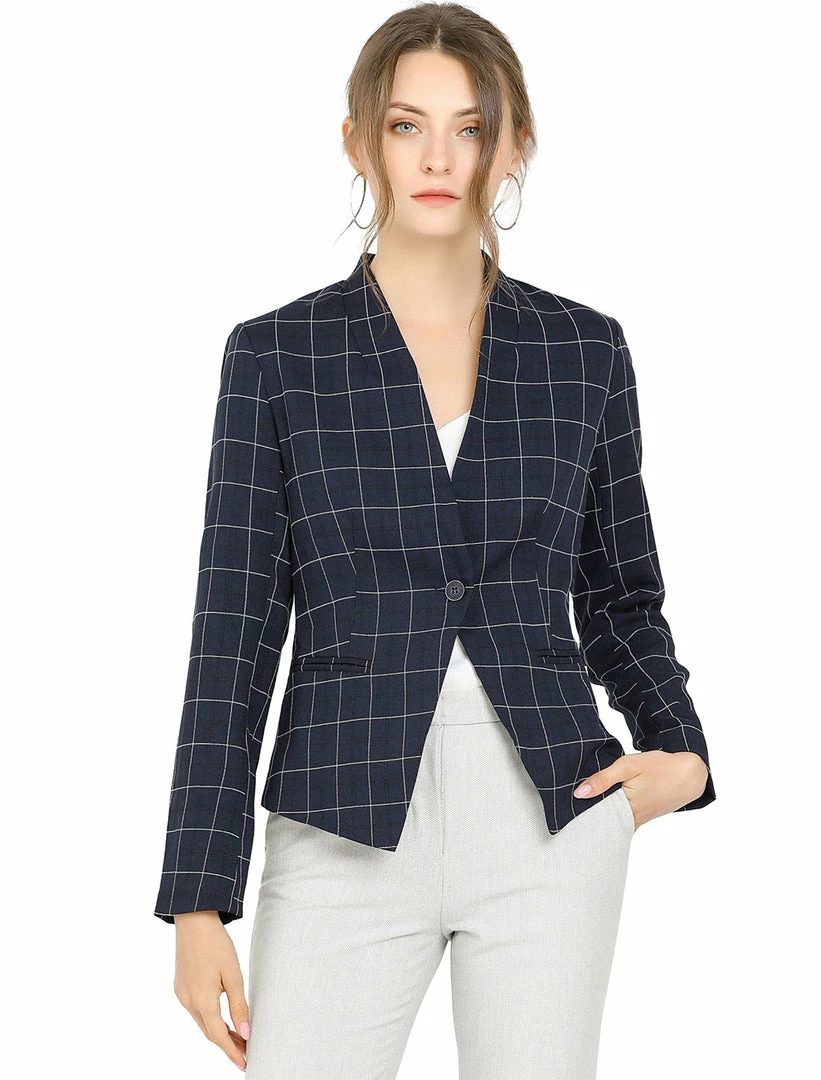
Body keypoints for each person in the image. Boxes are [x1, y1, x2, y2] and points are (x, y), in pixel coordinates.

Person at [154, 4, 716, 1077]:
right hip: (340, 814)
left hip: (551, 814)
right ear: (358, 141)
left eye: (470, 128)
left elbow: (619, 595)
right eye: (406, 125)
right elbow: (232, 631)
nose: (437, 158)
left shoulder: (583, 351)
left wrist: (680, 750)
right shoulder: (277, 355)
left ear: (514, 145)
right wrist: (197, 897)